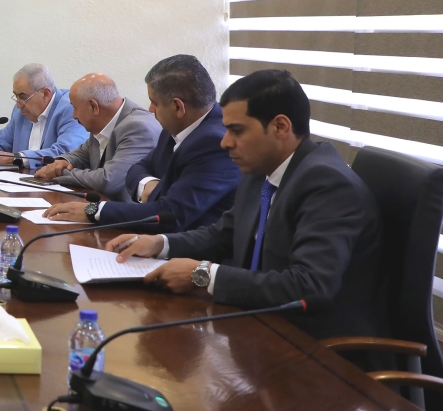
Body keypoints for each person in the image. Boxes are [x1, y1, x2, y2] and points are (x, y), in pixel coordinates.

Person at [106, 69, 386, 344]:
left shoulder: (327, 184)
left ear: (280, 127)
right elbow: (224, 234)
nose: (225, 142)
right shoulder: (262, 169)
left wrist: (202, 274)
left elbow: (308, 286)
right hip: (256, 325)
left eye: (237, 130)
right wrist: (160, 243)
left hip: (316, 347)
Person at [45, 55, 239, 229]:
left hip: (191, 248)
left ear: (178, 107)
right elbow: (137, 168)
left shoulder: (214, 142)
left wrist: (94, 211)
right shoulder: (175, 128)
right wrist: (147, 184)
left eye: (154, 102)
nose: (150, 109)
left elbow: (170, 214)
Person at [33, 73, 159, 200]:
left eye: (75, 107)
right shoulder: (101, 123)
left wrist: (59, 172)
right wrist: (63, 161)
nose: (74, 115)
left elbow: (109, 180)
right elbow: (81, 155)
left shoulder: (138, 128)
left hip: (128, 210)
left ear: (94, 106)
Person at [0, 64, 87, 167]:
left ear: (45, 94)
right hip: (21, 183)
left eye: (23, 96)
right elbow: (2, 141)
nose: (18, 104)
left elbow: (66, 153)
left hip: (58, 186)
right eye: (16, 96)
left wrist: (15, 159)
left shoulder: (70, 108)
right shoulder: (22, 111)